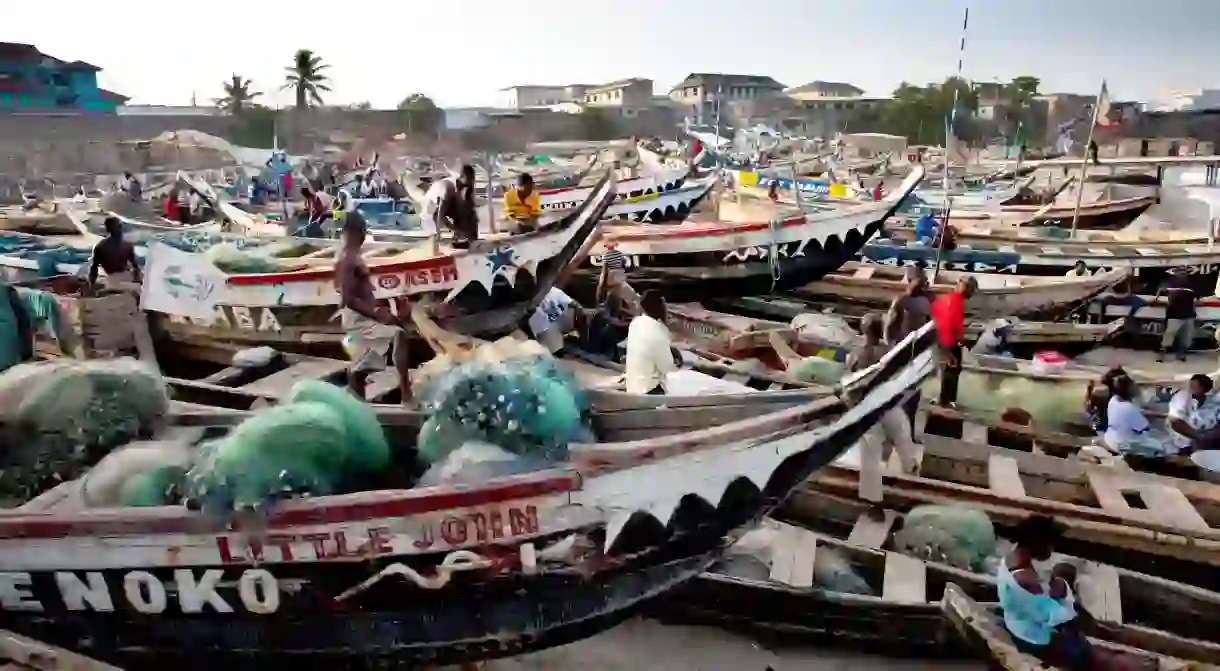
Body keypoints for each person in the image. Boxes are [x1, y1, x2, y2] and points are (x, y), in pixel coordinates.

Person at [998, 515, 1095, 671]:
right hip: (1030, 637)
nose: (1052, 549)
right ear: (1037, 544)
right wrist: (1078, 618)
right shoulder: (1026, 580)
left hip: (1017, 621)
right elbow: (1052, 616)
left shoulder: (1011, 558)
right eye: (1050, 545)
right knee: (1083, 653)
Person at [337, 212, 412, 404]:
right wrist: (375, 313)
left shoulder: (353, 256)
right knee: (398, 335)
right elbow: (348, 299)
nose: (364, 235)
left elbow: (361, 293)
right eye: (362, 231)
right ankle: (407, 395)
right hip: (358, 320)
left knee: (362, 367)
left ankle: (356, 404)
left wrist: (384, 309)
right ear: (355, 231)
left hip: (363, 317)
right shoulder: (346, 259)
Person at [853, 314, 921, 501]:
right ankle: (911, 469)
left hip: (868, 409)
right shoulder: (889, 351)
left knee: (870, 453)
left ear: (863, 331)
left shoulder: (857, 354)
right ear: (880, 329)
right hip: (888, 403)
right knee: (902, 433)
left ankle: (873, 499)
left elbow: (850, 384)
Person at [885, 267, 932, 434]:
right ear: (909, 281)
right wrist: (890, 349)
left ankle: (908, 427)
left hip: (917, 352)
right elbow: (889, 328)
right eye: (918, 280)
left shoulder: (926, 302)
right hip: (900, 350)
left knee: (913, 393)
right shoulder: (900, 301)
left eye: (923, 281)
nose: (922, 284)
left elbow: (931, 327)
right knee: (898, 390)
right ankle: (896, 428)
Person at [625, 290, 681, 395]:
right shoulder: (658, 331)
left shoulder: (635, 323)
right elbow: (668, 369)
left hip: (632, 386)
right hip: (648, 390)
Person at [931, 276, 976, 407]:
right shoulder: (954, 300)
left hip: (947, 340)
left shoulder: (952, 299)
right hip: (948, 342)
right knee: (950, 370)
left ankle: (948, 400)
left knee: (952, 371)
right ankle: (944, 401)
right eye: (971, 289)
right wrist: (949, 349)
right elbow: (948, 324)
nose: (972, 293)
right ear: (964, 286)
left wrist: (961, 339)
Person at [429, 165, 478, 250]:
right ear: (463, 177)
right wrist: (439, 232)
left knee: (468, 212)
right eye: (470, 180)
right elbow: (440, 215)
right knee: (453, 216)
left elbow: (470, 208)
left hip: (451, 203)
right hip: (434, 207)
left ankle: (466, 239)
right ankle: (458, 238)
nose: (472, 183)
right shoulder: (448, 188)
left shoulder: (465, 185)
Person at [1167, 374, 1218, 453]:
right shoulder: (1182, 397)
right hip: (1183, 445)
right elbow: (1175, 421)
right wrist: (1199, 437)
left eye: (1196, 386)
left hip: (1207, 443)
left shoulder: (1212, 402)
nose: (1192, 389)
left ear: (1205, 389)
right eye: (1192, 386)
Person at [87, 217, 142, 290]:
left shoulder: (101, 246)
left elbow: (94, 268)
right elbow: (135, 266)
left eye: (120, 226)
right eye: (118, 227)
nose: (120, 229)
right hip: (115, 278)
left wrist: (92, 285)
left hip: (117, 277)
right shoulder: (103, 247)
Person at [1154, 268, 1196, 362]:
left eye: (1184, 272)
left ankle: (1181, 354)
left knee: (1186, 337)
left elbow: (1197, 299)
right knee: (1168, 336)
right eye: (1180, 272)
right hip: (1174, 314)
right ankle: (1161, 355)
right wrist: (1157, 299)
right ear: (1175, 273)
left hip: (1189, 315)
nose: (1182, 274)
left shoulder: (1192, 284)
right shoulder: (1169, 283)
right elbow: (1159, 291)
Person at [528, 287, 580, 354]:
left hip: (538, 329)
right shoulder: (554, 291)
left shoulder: (553, 292)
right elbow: (574, 304)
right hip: (545, 329)